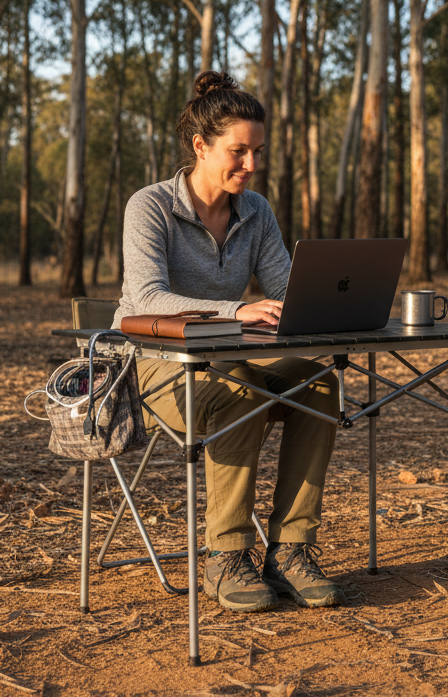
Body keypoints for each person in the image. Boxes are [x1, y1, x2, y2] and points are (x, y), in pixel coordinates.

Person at [112, 71, 345, 613]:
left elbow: (286, 288)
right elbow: (146, 297)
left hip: (232, 360)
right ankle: (226, 554)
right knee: (240, 390)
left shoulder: (256, 211)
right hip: (156, 368)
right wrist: (238, 309)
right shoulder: (148, 207)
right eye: (238, 152)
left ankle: (290, 550)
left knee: (318, 384)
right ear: (200, 145)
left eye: (258, 152)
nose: (251, 166)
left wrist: (329, 298)